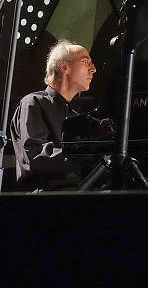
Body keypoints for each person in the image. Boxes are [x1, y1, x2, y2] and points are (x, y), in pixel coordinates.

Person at [10, 39, 98, 190]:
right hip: (46, 199)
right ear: (65, 67)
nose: (93, 69)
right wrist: (88, 156)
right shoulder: (33, 102)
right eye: (85, 62)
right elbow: (37, 155)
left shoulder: (76, 116)